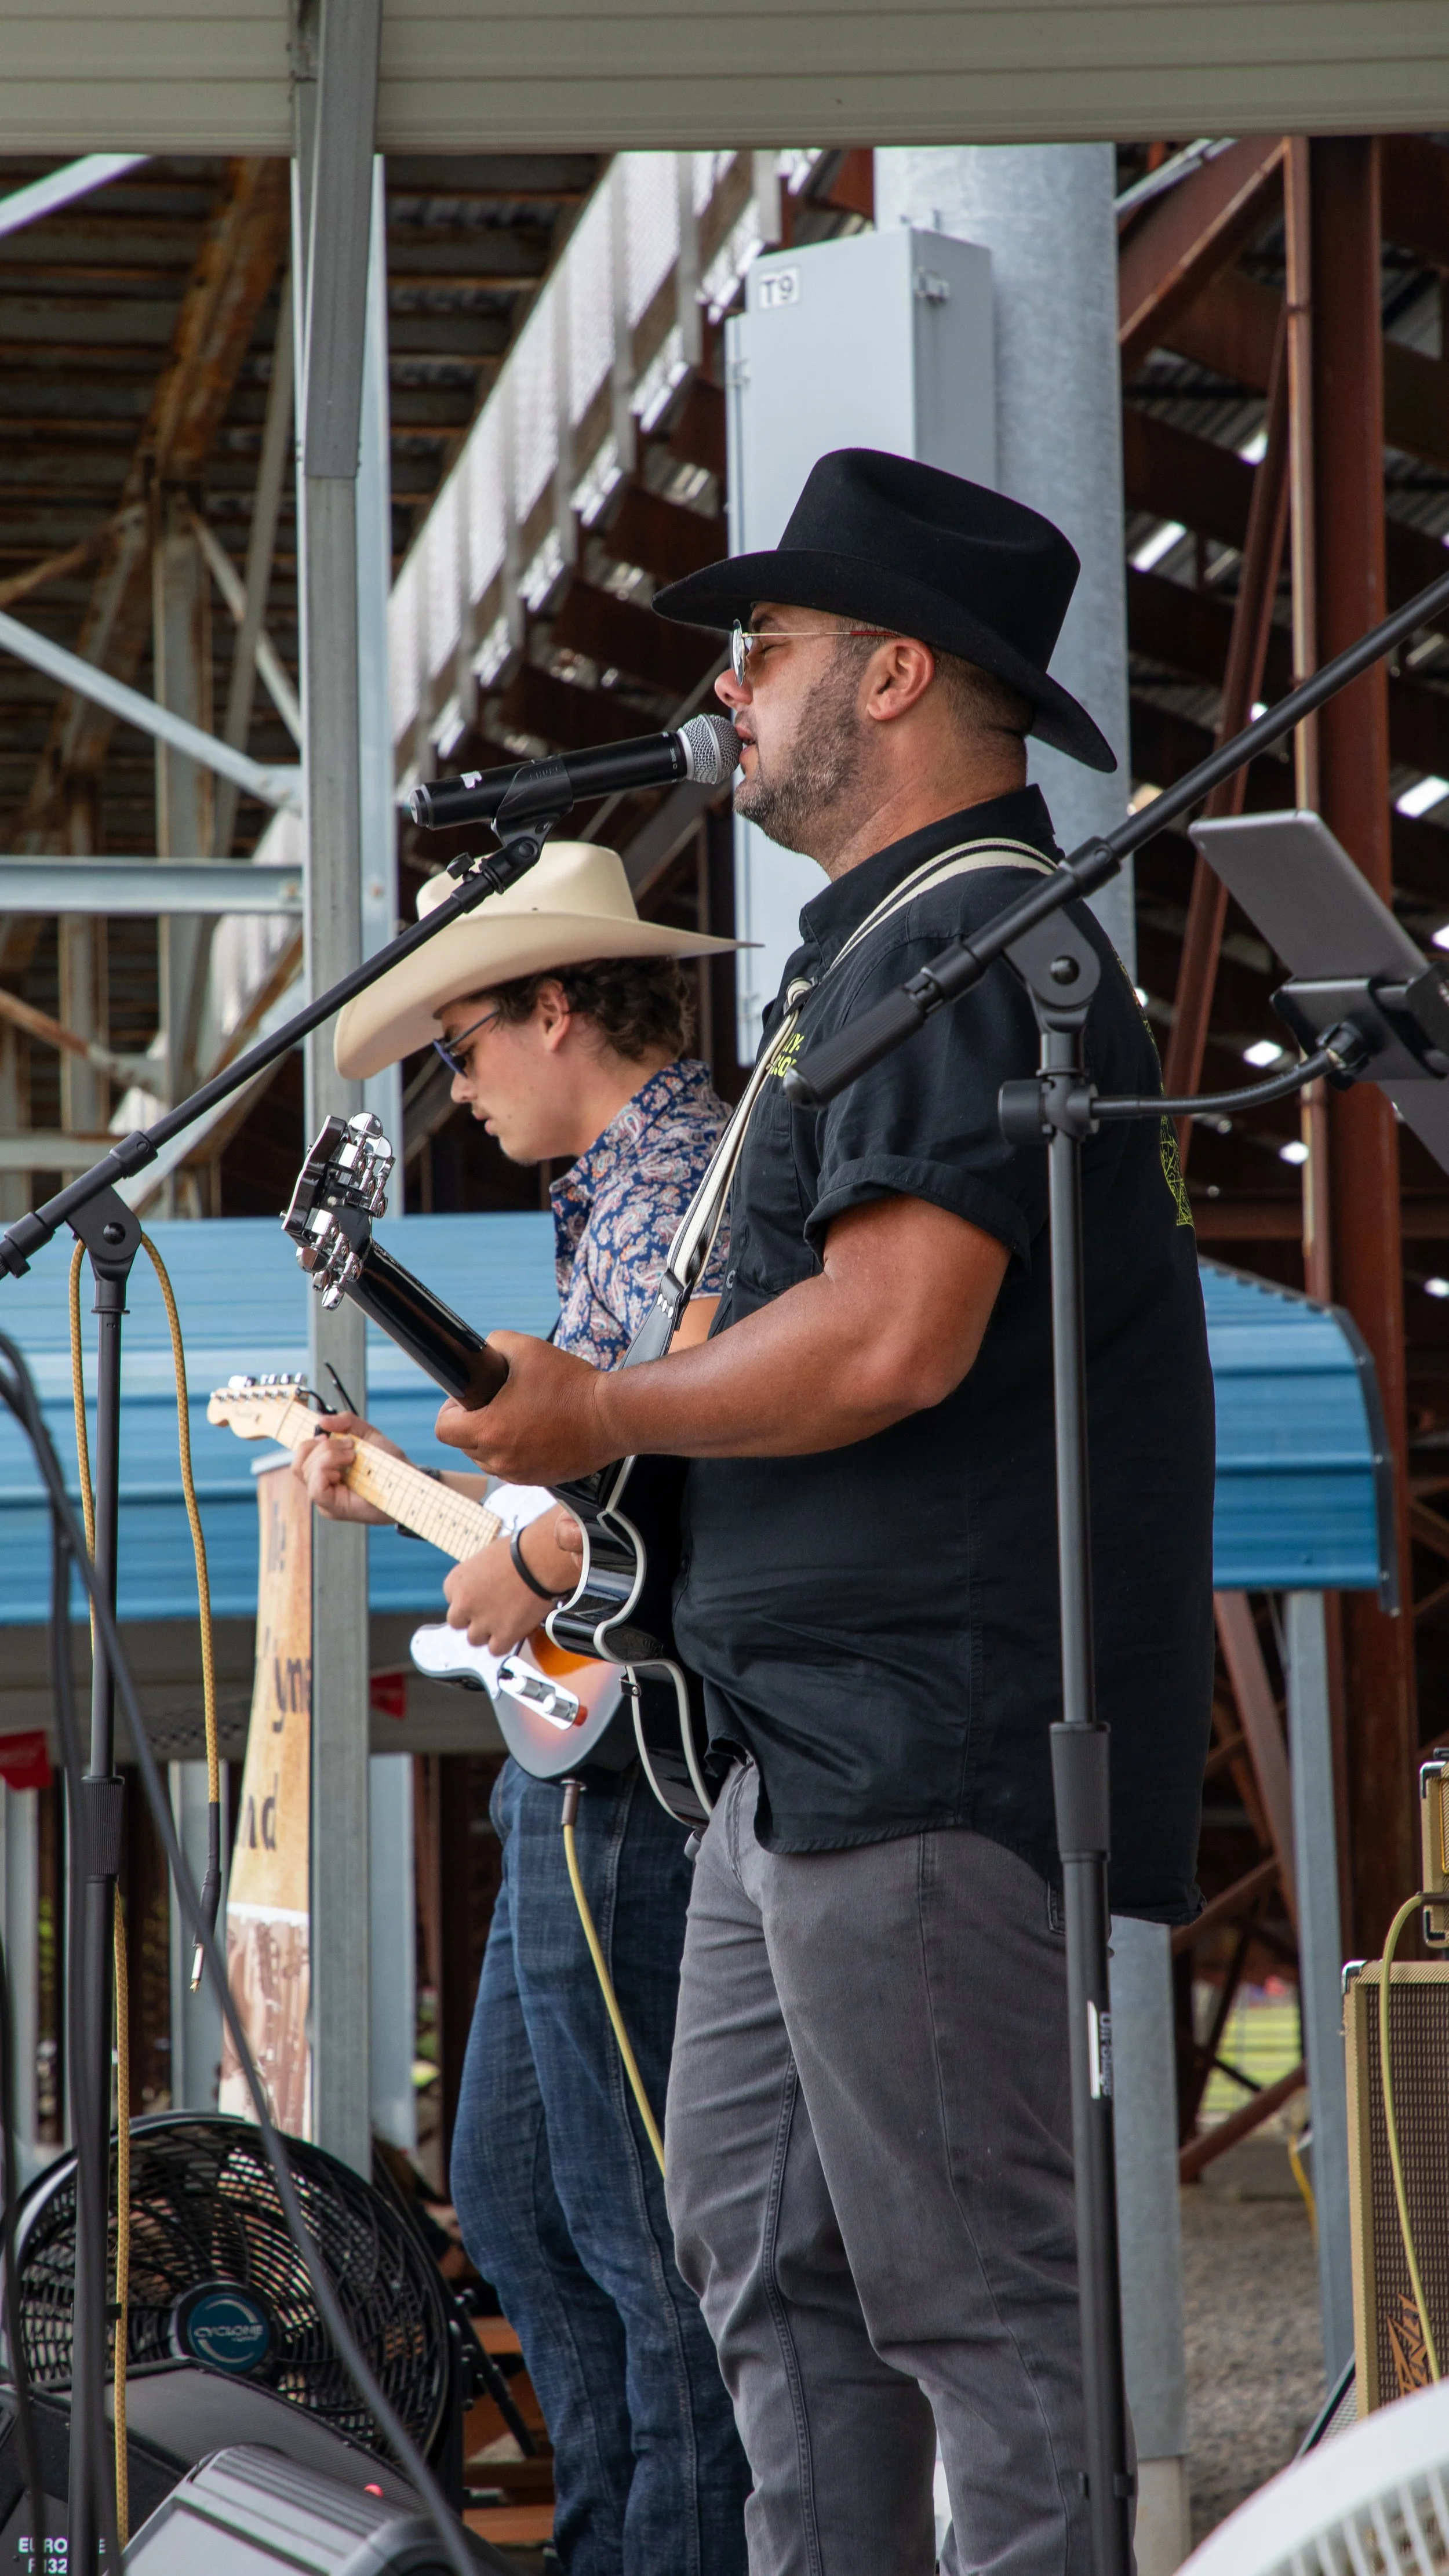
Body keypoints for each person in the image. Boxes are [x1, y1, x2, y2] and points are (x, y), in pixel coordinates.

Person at [428, 452, 1216, 2576]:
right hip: (794, 1754)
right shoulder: (867, 959)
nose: (734, 688)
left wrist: (597, 1400)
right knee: (767, 2285)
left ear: (890, 674)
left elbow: (894, 1338)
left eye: (766, 648)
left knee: (970, 2305)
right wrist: (609, 1440)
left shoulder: (971, 939)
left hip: (918, 1737)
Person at [294, 841, 751, 2576]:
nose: (457, 1085)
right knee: (511, 2191)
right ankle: (618, 2533)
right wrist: (428, 1495)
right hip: (582, 1762)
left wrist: (544, 1556)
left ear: (559, 1004)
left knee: (635, 2231)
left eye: (465, 1040)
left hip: (639, 1769)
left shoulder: (694, 1173)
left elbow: (681, 1433)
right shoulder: (603, 1198)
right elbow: (605, 1459)